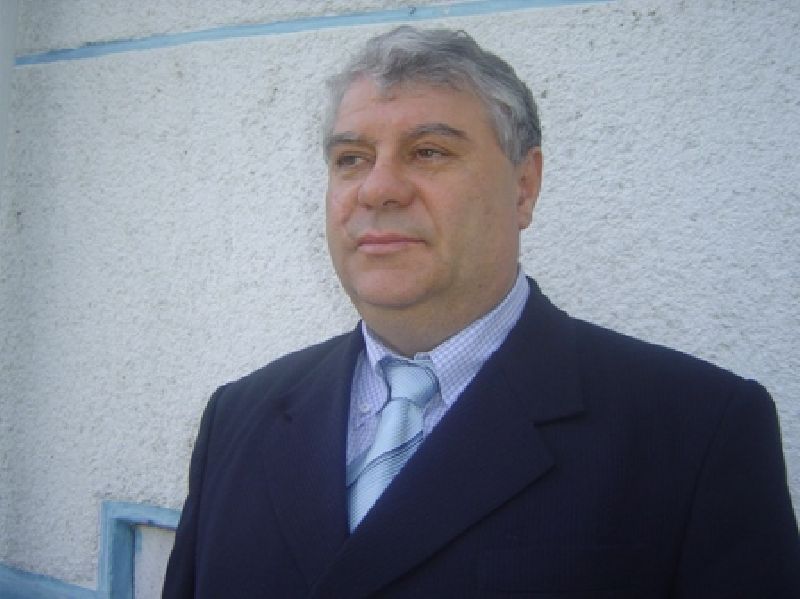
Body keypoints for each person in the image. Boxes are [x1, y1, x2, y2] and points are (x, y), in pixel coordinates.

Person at [163, 26, 800, 598]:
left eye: (429, 151)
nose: (377, 189)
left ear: (524, 186)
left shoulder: (697, 432)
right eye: (351, 158)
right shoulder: (237, 419)